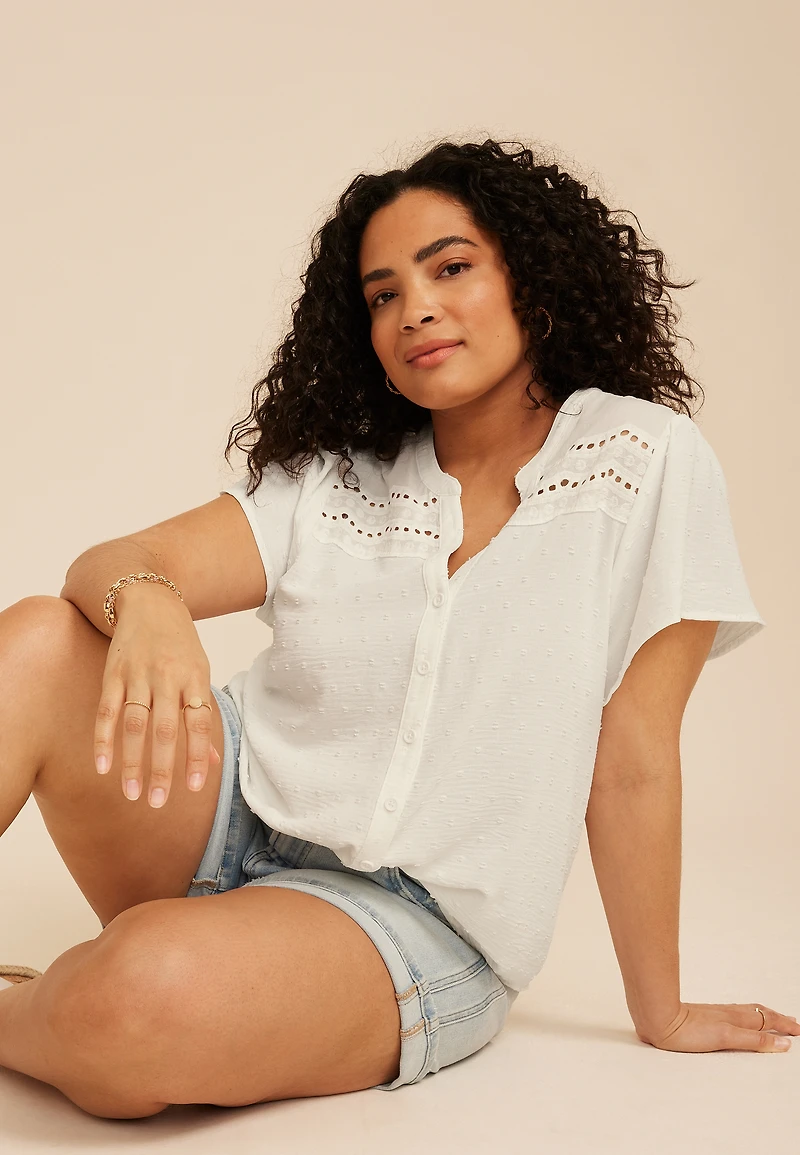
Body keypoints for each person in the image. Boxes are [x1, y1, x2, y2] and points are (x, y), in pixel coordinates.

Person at [0, 138, 794, 1120]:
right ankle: (141, 976)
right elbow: (113, 563)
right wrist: (152, 601)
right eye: (382, 294)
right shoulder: (336, 477)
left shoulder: (646, 460)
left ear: (532, 278)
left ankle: (36, 1007)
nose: (413, 307)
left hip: (412, 924)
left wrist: (659, 1009)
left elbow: (631, 760)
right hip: (217, 810)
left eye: (450, 268)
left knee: (131, 1003)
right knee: (37, 641)